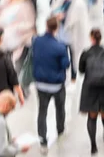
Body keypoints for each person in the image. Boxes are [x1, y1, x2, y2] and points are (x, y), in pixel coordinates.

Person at [79, 28, 104, 155]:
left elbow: (81, 70)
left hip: (90, 88)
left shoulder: (85, 53)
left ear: (91, 38)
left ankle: (93, 146)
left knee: (92, 116)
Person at [32, 17, 70, 152]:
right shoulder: (60, 47)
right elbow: (66, 64)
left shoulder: (36, 41)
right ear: (57, 28)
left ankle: (42, 140)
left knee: (42, 112)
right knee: (60, 108)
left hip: (40, 84)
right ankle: (60, 130)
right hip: (56, 84)